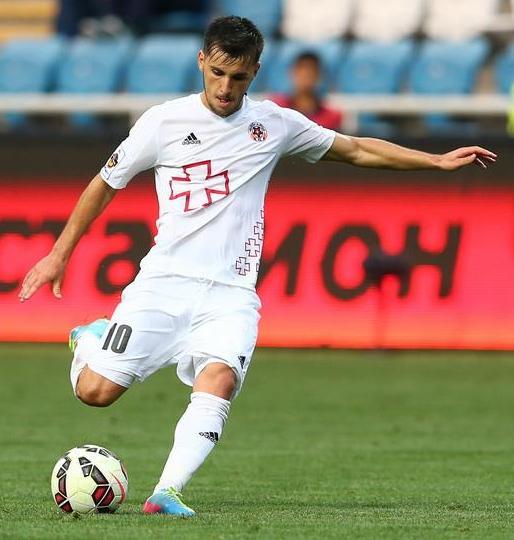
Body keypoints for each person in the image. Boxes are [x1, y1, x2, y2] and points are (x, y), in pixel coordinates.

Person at [19, 16, 495, 516]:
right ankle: (90, 338)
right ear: (201, 61)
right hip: (163, 284)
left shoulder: (274, 125)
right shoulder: (163, 123)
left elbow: (355, 149)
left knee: (220, 378)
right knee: (95, 392)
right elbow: (105, 183)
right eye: (218, 73)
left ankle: (166, 492)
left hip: (231, 293)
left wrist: (434, 161)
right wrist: (59, 254)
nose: (226, 88)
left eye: (239, 77)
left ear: (256, 71)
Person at [271, 51, 343, 130]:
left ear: (320, 75)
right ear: (291, 72)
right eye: (302, 69)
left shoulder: (332, 117)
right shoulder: (277, 109)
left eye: (312, 70)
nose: (306, 74)